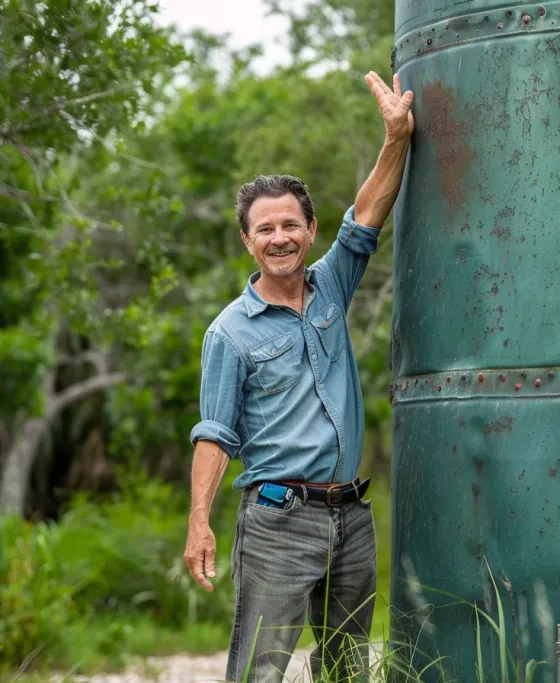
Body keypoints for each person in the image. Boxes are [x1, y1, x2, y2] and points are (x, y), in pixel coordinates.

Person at [182, 71, 414, 683]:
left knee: (345, 669)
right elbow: (214, 432)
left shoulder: (332, 283)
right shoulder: (230, 333)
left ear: (310, 231)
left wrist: (396, 138)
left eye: (290, 225)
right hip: (278, 521)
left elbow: (367, 213)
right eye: (266, 229)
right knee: (261, 670)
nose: (280, 238)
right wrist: (199, 519)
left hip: (352, 517)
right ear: (248, 241)